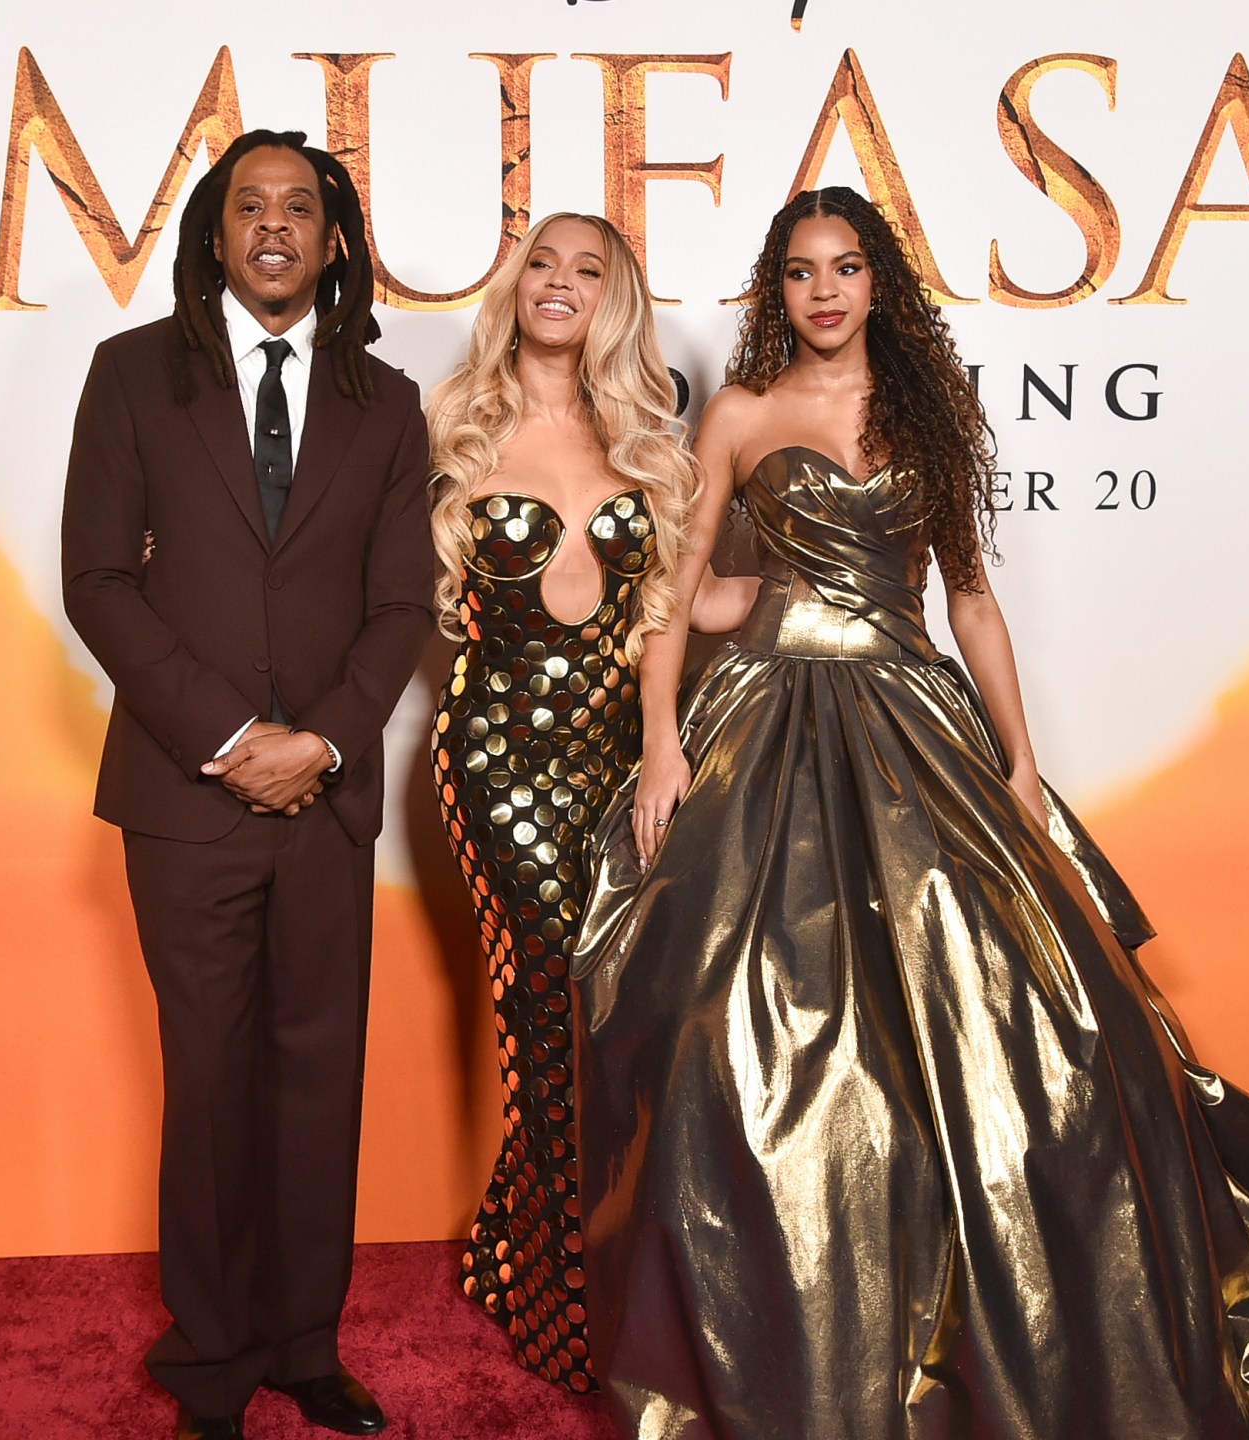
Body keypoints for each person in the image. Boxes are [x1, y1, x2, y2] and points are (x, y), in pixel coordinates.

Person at [571, 186, 1249, 1440]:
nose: (824, 290)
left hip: (915, 719)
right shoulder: (745, 414)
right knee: (737, 1035)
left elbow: (968, 602)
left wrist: (1021, 764)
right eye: (803, 270)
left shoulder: (927, 410)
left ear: (879, 285)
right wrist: (660, 741)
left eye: (847, 267)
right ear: (781, 289)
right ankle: (798, 1340)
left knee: (1051, 1027)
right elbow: (680, 585)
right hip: (766, 722)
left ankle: (1015, 1327)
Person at [61, 129, 432, 1440]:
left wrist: (319, 741)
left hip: (323, 798)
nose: (273, 225)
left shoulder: (386, 406)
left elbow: (403, 605)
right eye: (246, 206)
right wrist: (230, 739)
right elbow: (97, 581)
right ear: (214, 236)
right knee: (209, 1077)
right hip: (184, 797)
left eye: (300, 208)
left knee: (315, 1073)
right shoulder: (130, 379)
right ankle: (211, 1359)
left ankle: (304, 1343)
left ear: (335, 243)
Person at [423, 212, 751, 1392]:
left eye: (588, 270)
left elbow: (694, 607)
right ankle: (565, 1308)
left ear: (612, 299)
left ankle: (515, 1248)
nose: (559, 286)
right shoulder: (451, 427)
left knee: (614, 1018)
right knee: (549, 998)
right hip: (497, 762)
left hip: (620, 767)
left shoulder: (645, 438)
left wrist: (840, 573)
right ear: (515, 285)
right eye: (542, 266)